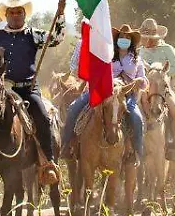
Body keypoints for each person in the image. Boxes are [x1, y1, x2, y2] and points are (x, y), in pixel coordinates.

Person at [0, 0, 64, 185]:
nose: (16, 15)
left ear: (24, 14)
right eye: (12, 12)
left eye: (19, 12)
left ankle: (48, 162)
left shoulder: (33, 34)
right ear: (7, 15)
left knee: (43, 118)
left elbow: (56, 38)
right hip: (3, 89)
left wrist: (60, 15)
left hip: (28, 89)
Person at [61, 24, 146, 161]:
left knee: (137, 118)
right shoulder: (107, 55)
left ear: (131, 41)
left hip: (126, 94)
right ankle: (67, 145)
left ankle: (136, 152)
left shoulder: (137, 60)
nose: (124, 39)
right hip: (103, 91)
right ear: (117, 38)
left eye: (127, 37)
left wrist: (139, 80)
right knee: (73, 108)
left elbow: (144, 81)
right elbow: (96, 71)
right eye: (121, 36)